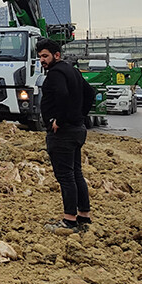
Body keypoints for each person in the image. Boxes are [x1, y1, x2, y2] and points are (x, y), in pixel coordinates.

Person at [36, 38, 96, 232]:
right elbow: (90, 93)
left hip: (63, 133)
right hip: (77, 130)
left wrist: (59, 121)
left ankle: (69, 220)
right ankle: (83, 216)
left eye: (45, 56)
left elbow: (61, 95)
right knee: (76, 173)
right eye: (39, 57)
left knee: (65, 177)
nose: (42, 61)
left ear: (57, 55)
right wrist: (80, 115)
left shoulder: (55, 74)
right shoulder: (73, 71)